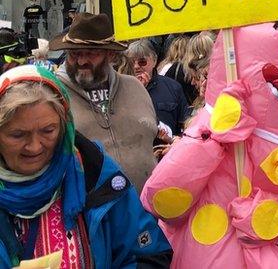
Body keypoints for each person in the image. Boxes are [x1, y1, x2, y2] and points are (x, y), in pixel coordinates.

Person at [0, 65, 170, 266]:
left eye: (48, 130)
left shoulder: (95, 173)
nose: (35, 146)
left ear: (65, 127)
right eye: (18, 135)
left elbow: (148, 255)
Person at [48, 13, 157, 193]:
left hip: (146, 212)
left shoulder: (135, 87)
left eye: (91, 53)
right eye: (74, 54)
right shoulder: (53, 95)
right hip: (86, 215)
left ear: (111, 54)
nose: (82, 61)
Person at [123, 39, 190, 141]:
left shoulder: (173, 87)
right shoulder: (123, 88)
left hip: (166, 150)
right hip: (136, 149)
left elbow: (185, 122)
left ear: (154, 61)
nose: (136, 66)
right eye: (132, 62)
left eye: (142, 62)